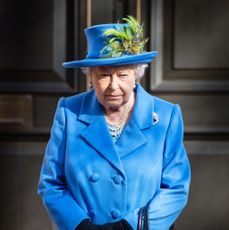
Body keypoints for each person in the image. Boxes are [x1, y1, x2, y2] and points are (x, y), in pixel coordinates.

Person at [37, 16, 191, 230]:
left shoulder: (166, 116)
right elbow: (51, 183)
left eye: (122, 75)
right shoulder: (68, 113)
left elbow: (175, 188)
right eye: (104, 75)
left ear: (136, 74)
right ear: (90, 75)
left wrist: (129, 226)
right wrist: (80, 226)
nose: (113, 85)